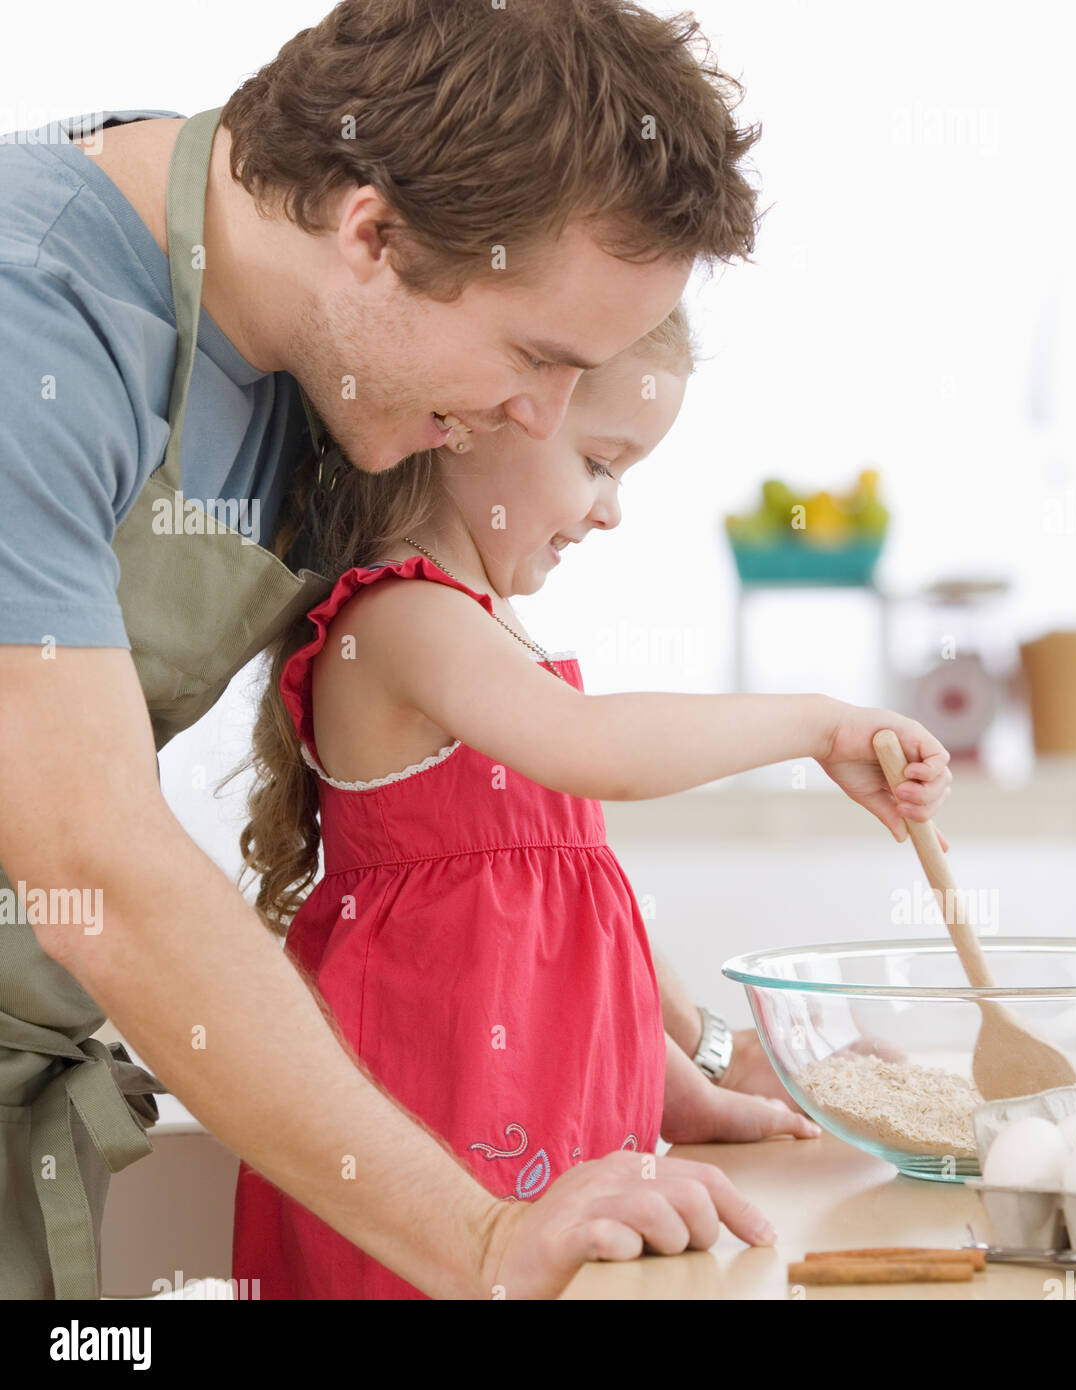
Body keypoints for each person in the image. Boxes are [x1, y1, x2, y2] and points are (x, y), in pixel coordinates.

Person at [0, 0, 794, 1302]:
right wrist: (482, 1237)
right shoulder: (31, 318)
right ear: (371, 232)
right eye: (537, 358)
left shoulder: (326, 371)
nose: (530, 420)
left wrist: (694, 1050)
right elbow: (97, 854)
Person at [227, 303, 953, 1297]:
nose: (610, 509)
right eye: (602, 462)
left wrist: (691, 1078)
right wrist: (815, 722)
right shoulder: (402, 619)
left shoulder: (489, 639)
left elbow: (565, 920)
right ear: (481, 415)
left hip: (531, 1153)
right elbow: (597, 751)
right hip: (437, 1158)